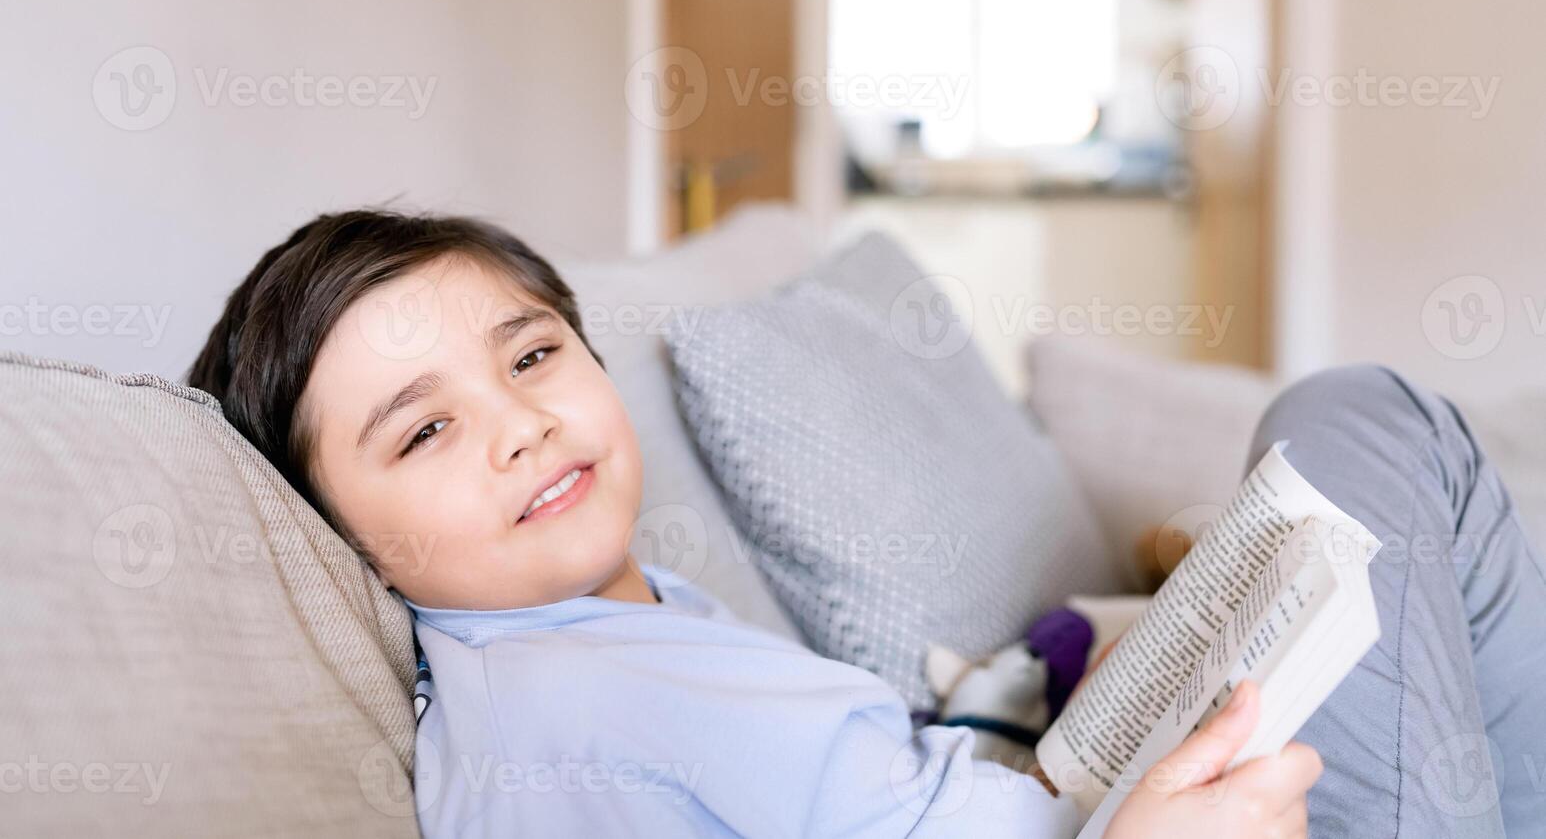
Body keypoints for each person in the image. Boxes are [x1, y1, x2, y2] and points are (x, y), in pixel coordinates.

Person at [188, 208, 1545, 837]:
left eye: (532, 355)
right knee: (1362, 418)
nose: (519, 422)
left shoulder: (614, 632)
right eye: (422, 431)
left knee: (1362, 481)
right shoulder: (560, 720)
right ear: (338, 537)